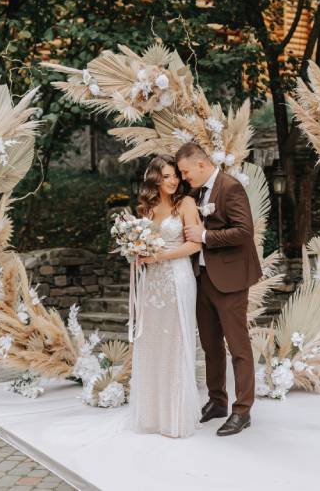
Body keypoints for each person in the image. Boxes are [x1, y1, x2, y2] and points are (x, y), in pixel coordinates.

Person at [176, 142, 262, 437]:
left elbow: (244, 231)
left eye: (185, 172)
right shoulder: (196, 193)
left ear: (201, 164)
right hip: (201, 278)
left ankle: (243, 410)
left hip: (230, 280)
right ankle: (217, 401)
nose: (184, 177)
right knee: (210, 345)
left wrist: (205, 235)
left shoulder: (230, 187)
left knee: (238, 347)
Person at [129, 154, 202, 438]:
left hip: (177, 279)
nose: (173, 181)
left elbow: (194, 246)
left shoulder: (186, 203)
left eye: (175, 175)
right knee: (152, 342)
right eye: (167, 176)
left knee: (176, 342)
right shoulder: (146, 208)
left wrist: (161, 256)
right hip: (152, 283)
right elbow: (142, 242)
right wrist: (137, 253)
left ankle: (175, 418)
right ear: (155, 179)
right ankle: (152, 417)